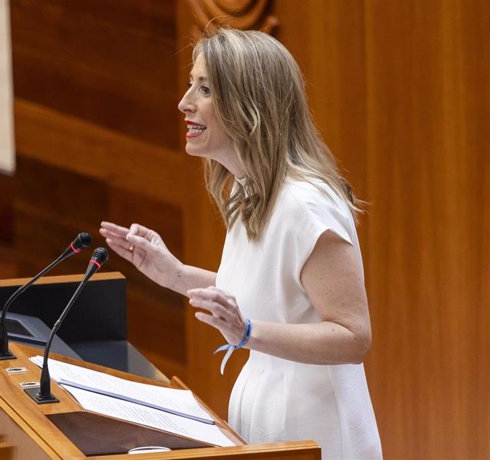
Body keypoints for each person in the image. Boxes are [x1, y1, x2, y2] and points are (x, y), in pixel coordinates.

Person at [100, 28, 381, 459]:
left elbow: (352, 336)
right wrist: (173, 273)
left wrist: (248, 333)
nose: (184, 102)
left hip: (315, 428)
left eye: (205, 88)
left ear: (250, 106)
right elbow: (272, 296)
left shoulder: (306, 207)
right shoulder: (247, 188)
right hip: (266, 408)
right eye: (191, 83)